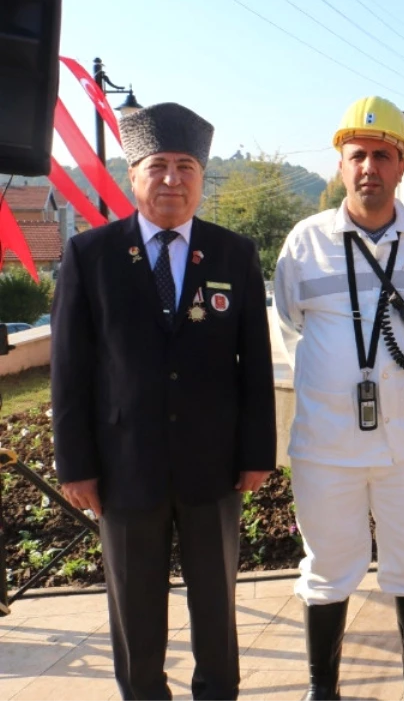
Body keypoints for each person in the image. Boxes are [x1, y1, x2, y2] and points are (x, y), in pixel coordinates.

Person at [52, 102, 277, 701]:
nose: (172, 179)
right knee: (135, 608)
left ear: (203, 177)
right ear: (134, 174)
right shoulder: (90, 256)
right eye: (158, 166)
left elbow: (255, 363)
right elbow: (70, 370)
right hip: (125, 466)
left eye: (186, 167)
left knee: (216, 602)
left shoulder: (234, 255)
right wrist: (75, 463)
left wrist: (257, 452)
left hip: (213, 465)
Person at [274, 96, 404, 701]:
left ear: (402, 164)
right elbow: (288, 330)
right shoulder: (305, 243)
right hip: (326, 445)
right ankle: (322, 689)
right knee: (327, 566)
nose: (368, 167)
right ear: (340, 164)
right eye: (357, 155)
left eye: (383, 154)